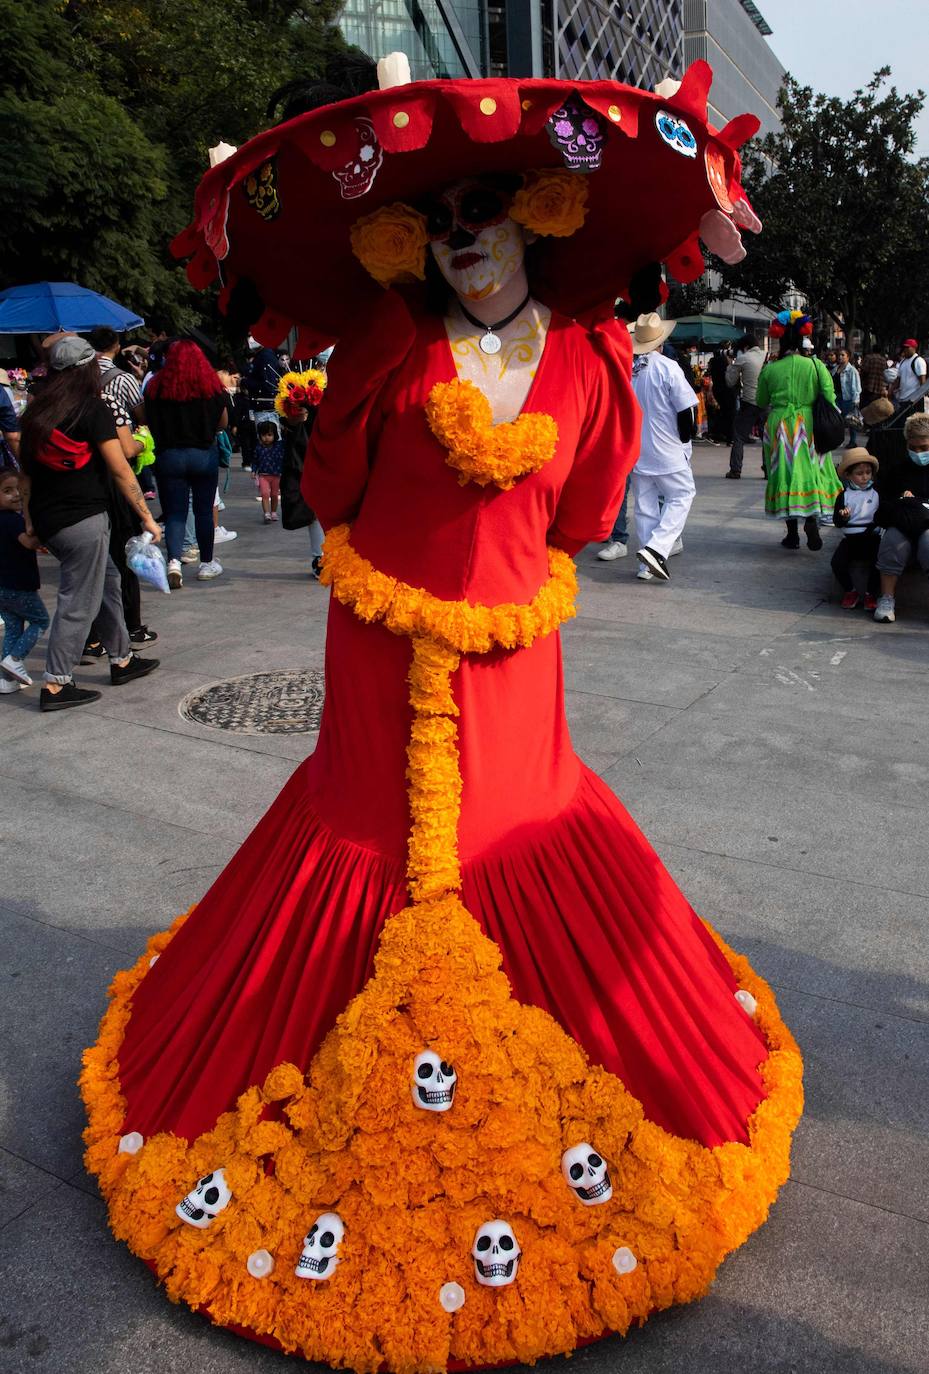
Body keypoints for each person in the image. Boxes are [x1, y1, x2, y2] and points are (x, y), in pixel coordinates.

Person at [81, 64, 801, 1370]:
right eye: (442, 216)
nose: (465, 233)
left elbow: (586, 515)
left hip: (514, 669)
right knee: (363, 827)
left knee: (514, 833)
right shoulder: (387, 344)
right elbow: (332, 487)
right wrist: (361, 380)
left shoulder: (586, 353)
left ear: (539, 212)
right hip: (376, 650)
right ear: (404, 237)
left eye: (485, 208)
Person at [17, 336, 160, 710]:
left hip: (52, 521)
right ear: (87, 370)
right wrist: (147, 517)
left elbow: (25, 479)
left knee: (109, 581)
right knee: (78, 600)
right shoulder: (92, 409)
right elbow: (121, 468)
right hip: (83, 519)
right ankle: (56, 683)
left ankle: (122, 658)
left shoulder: (35, 414)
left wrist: (31, 525)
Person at [145, 340, 228, 588]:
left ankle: (173, 562)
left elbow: (146, 418)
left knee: (175, 513)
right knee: (203, 510)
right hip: (203, 453)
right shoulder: (212, 388)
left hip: (169, 455)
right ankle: (206, 563)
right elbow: (223, 423)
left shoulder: (155, 388)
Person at [756, 316, 841, 550]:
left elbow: (761, 400)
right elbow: (830, 397)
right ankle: (812, 520)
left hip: (780, 426)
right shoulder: (816, 365)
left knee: (784, 472)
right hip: (810, 426)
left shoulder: (771, 369)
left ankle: (792, 534)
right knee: (812, 470)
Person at [628, 313, 698, 581]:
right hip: (666, 448)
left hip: (639, 449)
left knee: (645, 507)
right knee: (682, 495)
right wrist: (685, 440)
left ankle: (646, 565)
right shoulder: (668, 367)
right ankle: (657, 549)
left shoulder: (632, 370)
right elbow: (686, 411)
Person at [872, 412, 929, 624]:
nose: (918, 453)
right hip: (901, 525)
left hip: (926, 527)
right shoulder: (897, 470)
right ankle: (887, 599)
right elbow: (883, 508)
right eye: (913, 448)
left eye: (924, 448)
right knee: (893, 541)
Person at [0, 466, 50, 690]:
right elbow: (28, 543)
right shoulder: (12, 521)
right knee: (41, 621)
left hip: (2, 587)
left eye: (18, 489)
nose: (16, 494)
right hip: (19, 585)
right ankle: (15, 659)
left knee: (13, 627)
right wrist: (44, 532)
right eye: (7, 490)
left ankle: (6, 680)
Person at [830, 448, 880, 610]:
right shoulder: (844, 495)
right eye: (859, 473)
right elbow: (837, 521)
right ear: (848, 475)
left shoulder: (876, 493)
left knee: (879, 563)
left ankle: (870, 594)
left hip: (871, 536)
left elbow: (883, 515)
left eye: (868, 472)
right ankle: (850, 590)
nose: (865, 477)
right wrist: (843, 516)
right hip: (851, 539)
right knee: (837, 562)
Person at [725, 331, 765, 478]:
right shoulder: (766, 355)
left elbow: (730, 381)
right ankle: (768, 469)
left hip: (749, 402)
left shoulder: (743, 358)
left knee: (739, 436)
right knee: (766, 437)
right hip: (766, 403)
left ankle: (735, 470)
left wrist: (730, 364)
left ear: (746, 346)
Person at [252, 419, 284, 522]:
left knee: (274, 495)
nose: (266, 438)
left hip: (276, 475)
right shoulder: (258, 448)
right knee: (264, 494)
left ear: (275, 435)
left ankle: (273, 512)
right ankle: (266, 513)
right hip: (263, 475)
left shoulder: (279, 446)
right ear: (260, 435)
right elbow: (255, 460)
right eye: (264, 435)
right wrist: (253, 471)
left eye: (269, 435)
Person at [832, 348, 862, 446]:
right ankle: (839, 440)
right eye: (839, 355)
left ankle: (852, 441)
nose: (840, 357)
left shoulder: (852, 370)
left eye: (843, 355)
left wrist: (856, 400)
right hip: (837, 398)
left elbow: (856, 387)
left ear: (848, 357)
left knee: (851, 421)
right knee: (838, 421)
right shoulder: (835, 369)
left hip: (848, 399)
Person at [892, 339, 927, 409]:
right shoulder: (903, 361)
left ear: (914, 348)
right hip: (902, 398)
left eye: (908, 347)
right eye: (904, 347)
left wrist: (919, 398)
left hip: (914, 400)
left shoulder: (918, 361)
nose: (905, 349)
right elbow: (898, 379)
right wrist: (891, 389)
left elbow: (923, 382)